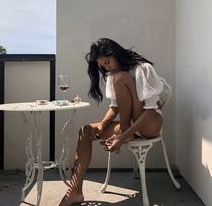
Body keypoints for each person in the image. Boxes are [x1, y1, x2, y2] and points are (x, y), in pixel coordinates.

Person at [59, 38, 164, 206]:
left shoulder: (141, 68)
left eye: (107, 62)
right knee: (85, 131)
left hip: (150, 122)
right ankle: (75, 191)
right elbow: (115, 107)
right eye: (103, 66)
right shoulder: (112, 75)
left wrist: (122, 137)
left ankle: (124, 132)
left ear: (115, 54)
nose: (106, 68)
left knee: (120, 77)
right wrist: (101, 126)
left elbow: (150, 109)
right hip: (128, 125)